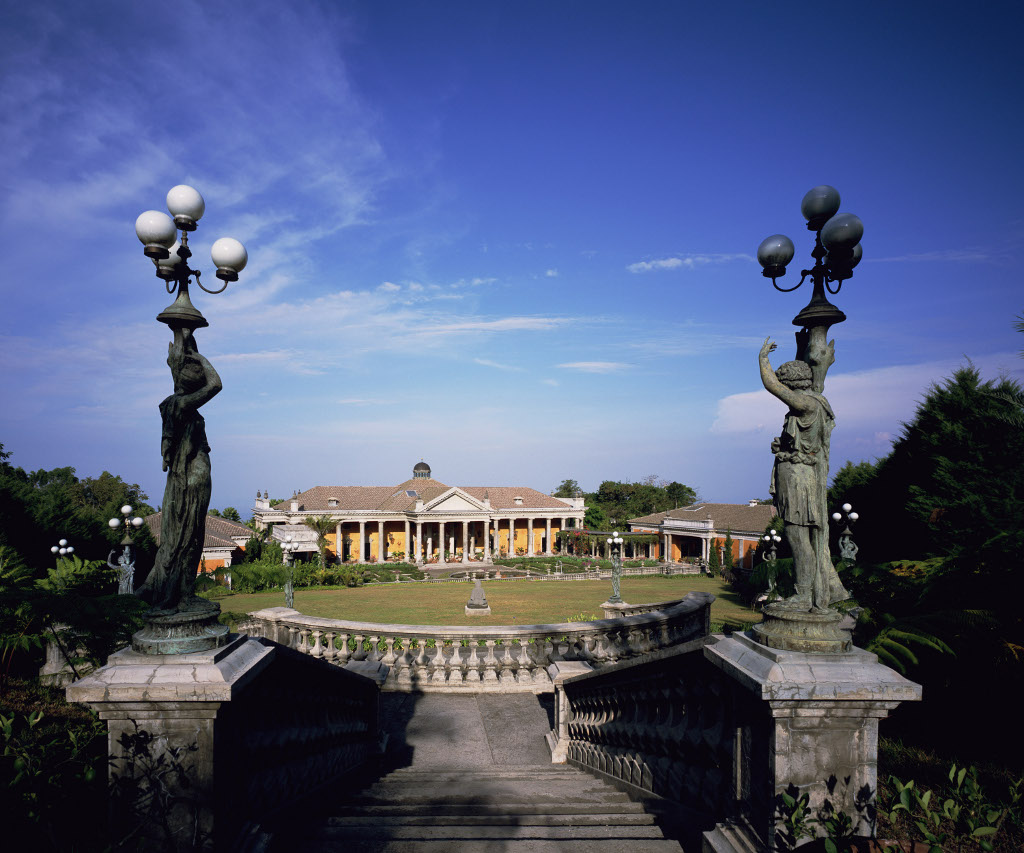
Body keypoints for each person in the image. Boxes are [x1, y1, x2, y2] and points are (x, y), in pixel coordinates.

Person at [759, 337, 848, 612]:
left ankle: (805, 594)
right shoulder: (817, 401)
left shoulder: (806, 405)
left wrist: (763, 358)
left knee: (797, 537)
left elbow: (771, 385)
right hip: (799, 474)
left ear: (791, 384)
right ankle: (810, 591)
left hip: (798, 478)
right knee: (800, 536)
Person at [136, 327, 222, 612]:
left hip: (187, 475)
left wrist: (186, 345)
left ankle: (178, 590)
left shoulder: (175, 406)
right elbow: (216, 384)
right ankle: (179, 593)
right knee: (189, 535)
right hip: (193, 474)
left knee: (186, 534)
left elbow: (167, 444)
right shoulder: (182, 404)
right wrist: (199, 356)